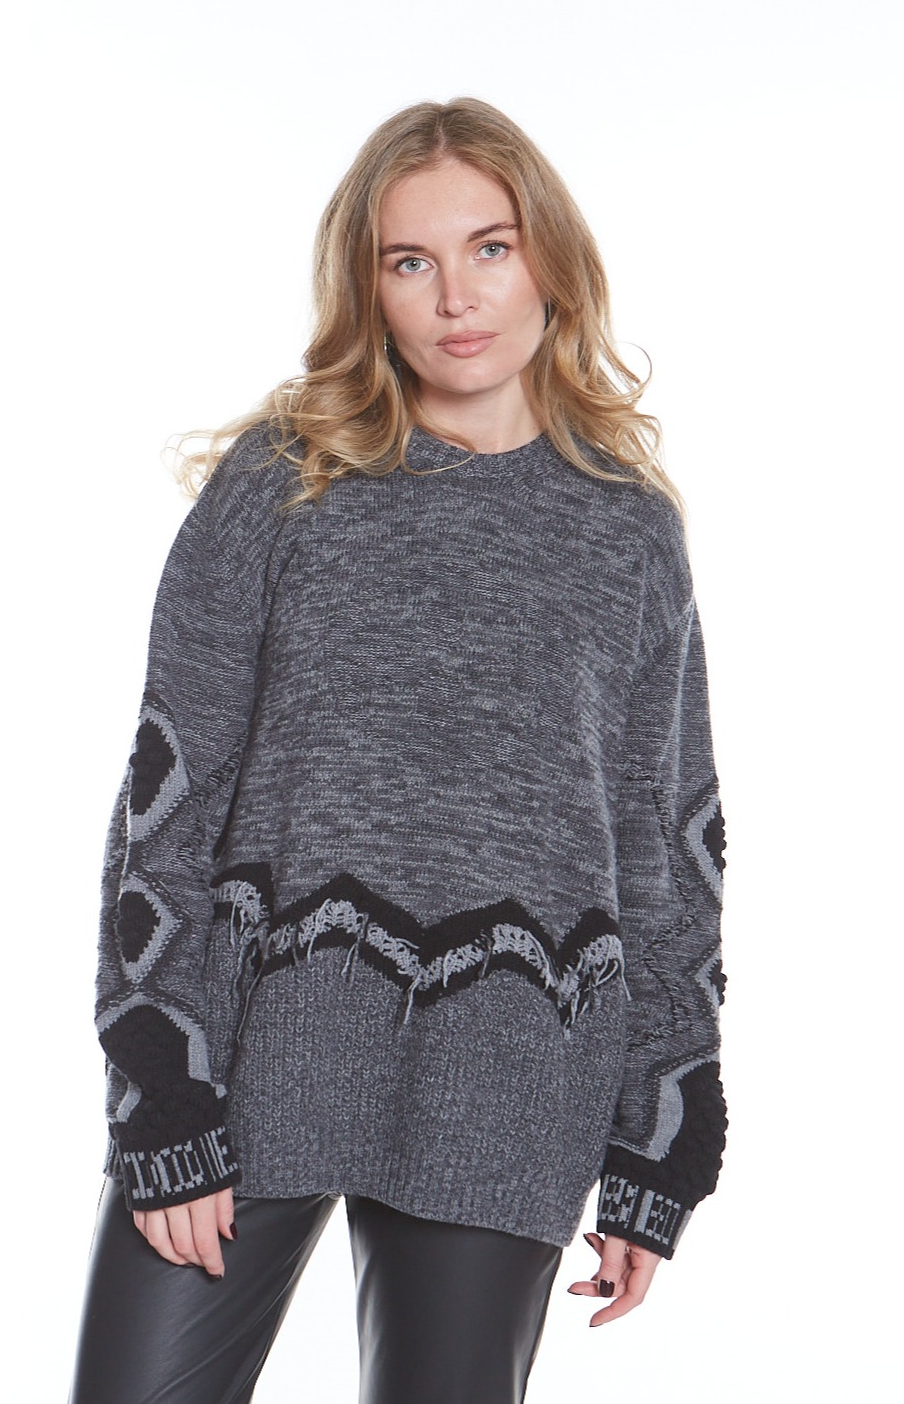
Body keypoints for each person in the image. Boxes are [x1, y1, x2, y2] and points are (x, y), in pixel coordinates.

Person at [69, 96, 728, 1404]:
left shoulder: (627, 527)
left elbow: (666, 846)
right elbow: (167, 802)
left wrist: (663, 1134)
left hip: (513, 1072)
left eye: (490, 248)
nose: (455, 297)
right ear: (365, 287)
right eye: (408, 260)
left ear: (549, 258)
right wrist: (162, 1088)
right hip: (256, 1054)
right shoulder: (282, 482)